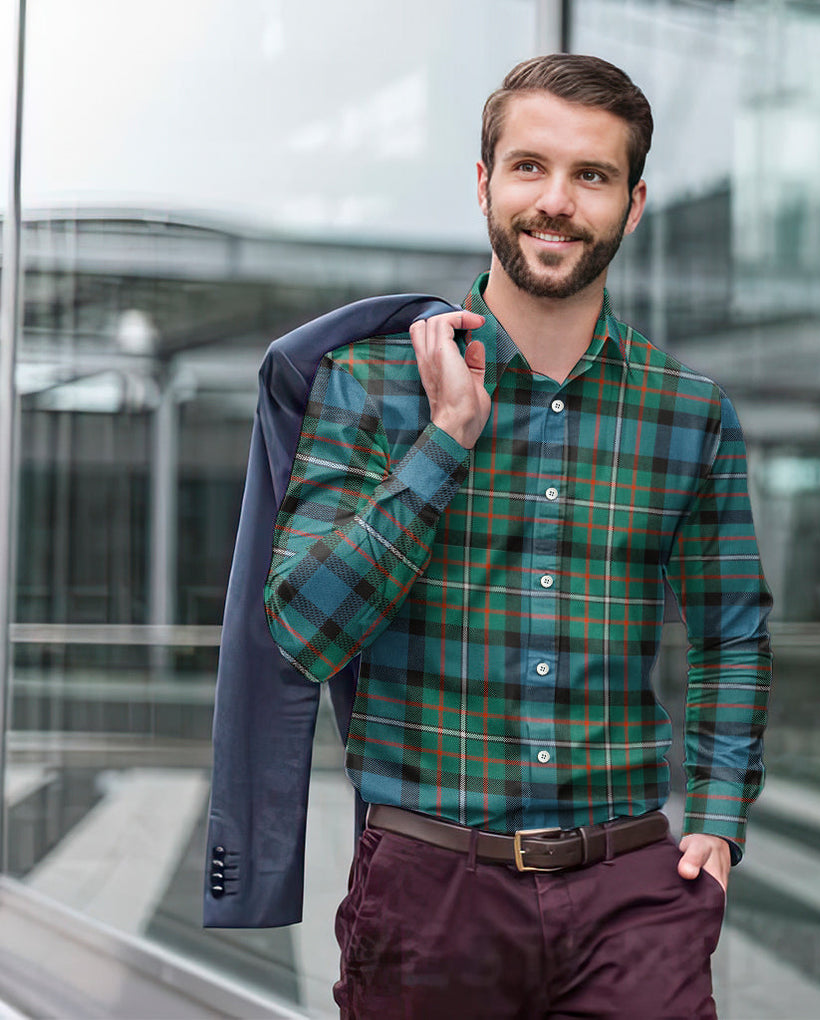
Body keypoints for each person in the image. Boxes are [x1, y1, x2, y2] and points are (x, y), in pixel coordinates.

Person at [264, 53, 772, 1019]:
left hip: (633, 894)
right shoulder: (371, 387)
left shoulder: (689, 414)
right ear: (486, 182)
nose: (557, 201)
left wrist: (714, 817)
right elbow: (302, 627)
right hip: (430, 892)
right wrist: (446, 438)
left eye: (593, 175)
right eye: (531, 167)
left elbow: (732, 630)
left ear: (634, 201)